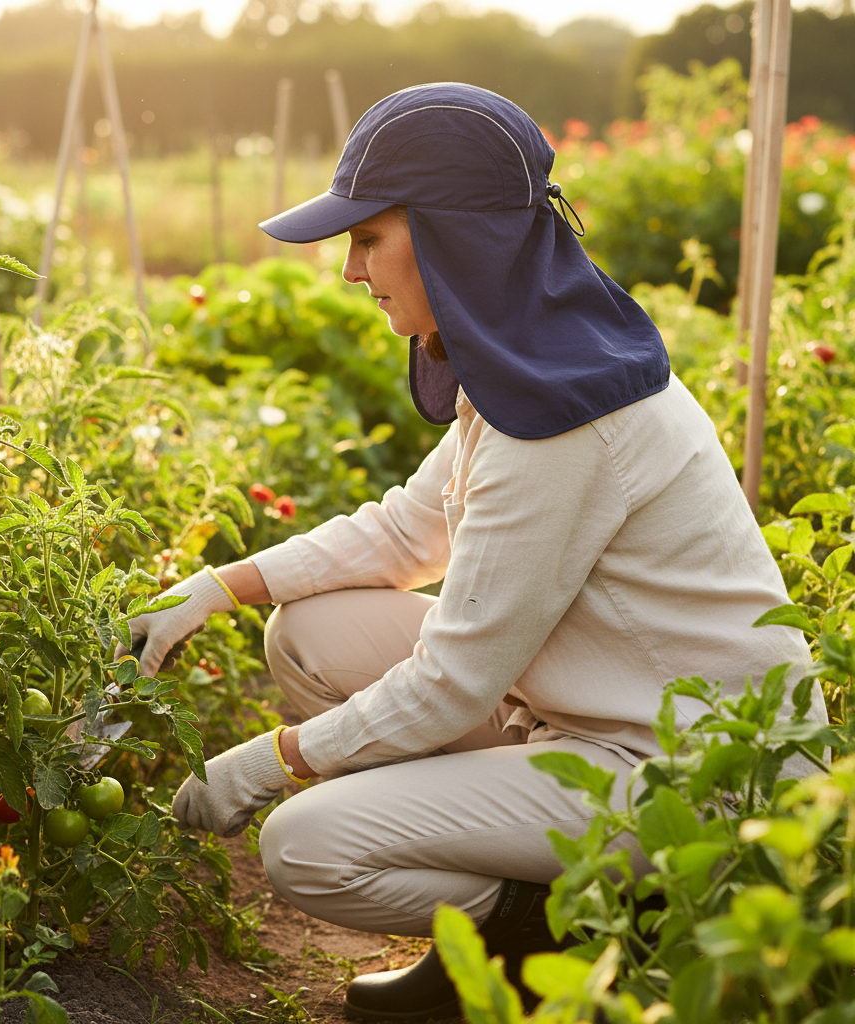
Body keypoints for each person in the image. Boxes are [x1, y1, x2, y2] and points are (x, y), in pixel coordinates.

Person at [119, 83, 824, 1021]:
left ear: (456, 238)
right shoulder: (535, 357)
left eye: (368, 238)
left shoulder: (564, 418)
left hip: (693, 779)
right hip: (592, 714)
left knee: (306, 845)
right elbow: (408, 531)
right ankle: (518, 903)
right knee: (307, 637)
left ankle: (565, 935)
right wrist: (214, 589)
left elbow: (451, 685)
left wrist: (265, 764)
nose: (350, 271)